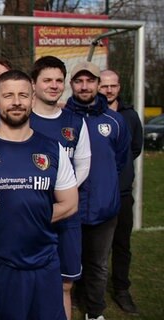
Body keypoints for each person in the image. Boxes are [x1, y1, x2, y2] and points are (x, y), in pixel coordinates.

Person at [0, 70, 78, 319]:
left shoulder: (52, 148)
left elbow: (70, 203)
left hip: (44, 265)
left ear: (32, 99)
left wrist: (30, 217)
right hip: (0, 268)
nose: (16, 102)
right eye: (8, 95)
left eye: (23, 95)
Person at [65, 61, 130, 320]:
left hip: (104, 208)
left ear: (97, 84)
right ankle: (66, 305)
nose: (84, 86)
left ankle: (94, 311)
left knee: (98, 264)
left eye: (89, 81)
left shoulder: (114, 121)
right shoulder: (63, 119)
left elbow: (120, 159)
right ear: (71, 85)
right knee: (68, 262)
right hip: (70, 207)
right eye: (79, 81)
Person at [30, 55, 92, 320]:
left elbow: (83, 165)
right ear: (34, 84)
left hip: (66, 214)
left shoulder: (75, 122)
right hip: (29, 215)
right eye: (47, 80)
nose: (54, 85)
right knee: (27, 281)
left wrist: (63, 198)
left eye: (59, 80)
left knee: (65, 283)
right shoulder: (21, 119)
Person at [99, 69, 143, 315]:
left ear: (119, 87)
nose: (108, 90)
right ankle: (85, 289)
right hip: (96, 194)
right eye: (104, 86)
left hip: (123, 193)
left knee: (122, 244)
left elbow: (134, 149)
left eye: (112, 86)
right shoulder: (91, 115)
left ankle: (121, 290)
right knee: (92, 245)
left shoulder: (131, 116)